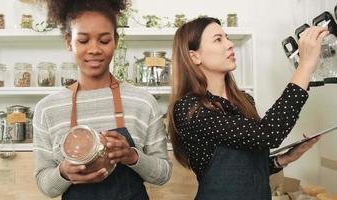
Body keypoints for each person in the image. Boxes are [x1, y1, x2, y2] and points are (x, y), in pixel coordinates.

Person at [167, 17, 328, 200]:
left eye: (227, 37)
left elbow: (244, 170)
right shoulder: (190, 109)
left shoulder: (244, 101)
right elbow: (268, 134)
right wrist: (305, 65)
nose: (230, 44)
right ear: (194, 56)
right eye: (218, 39)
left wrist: (286, 158)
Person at [32, 0, 172, 199]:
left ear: (115, 40)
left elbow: (163, 175)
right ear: (68, 42)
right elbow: (45, 186)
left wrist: (131, 156)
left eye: (104, 40)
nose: (94, 49)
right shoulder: (47, 109)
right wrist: (64, 172)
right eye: (83, 40)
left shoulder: (142, 102)